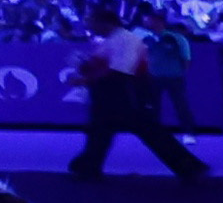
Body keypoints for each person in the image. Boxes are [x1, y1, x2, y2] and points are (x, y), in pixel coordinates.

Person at [70, 19, 209, 181]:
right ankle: (88, 165)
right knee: (104, 132)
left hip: (123, 98)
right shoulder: (113, 42)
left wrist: (87, 77)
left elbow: (120, 72)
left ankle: (189, 166)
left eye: (95, 24)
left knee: (143, 132)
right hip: (113, 97)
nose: (93, 28)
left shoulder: (122, 42)